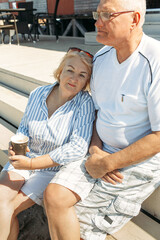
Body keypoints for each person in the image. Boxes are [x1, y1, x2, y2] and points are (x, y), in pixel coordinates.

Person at [44, 0, 160, 239]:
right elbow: (98, 113)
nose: (97, 22)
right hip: (99, 151)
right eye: (98, 14)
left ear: (135, 20)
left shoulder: (155, 62)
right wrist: (96, 151)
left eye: (107, 15)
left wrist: (110, 162)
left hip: (140, 159)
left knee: (81, 222)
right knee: (53, 195)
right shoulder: (102, 58)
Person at [0, 48, 95, 240]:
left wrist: (33, 164)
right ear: (60, 70)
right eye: (70, 70)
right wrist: (16, 144)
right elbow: (24, 128)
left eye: (82, 75)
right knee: (1, 201)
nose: (74, 78)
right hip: (25, 159)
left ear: (87, 82)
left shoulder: (85, 103)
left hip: (50, 169)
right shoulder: (38, 93)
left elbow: (78, 147)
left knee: (8, 208)